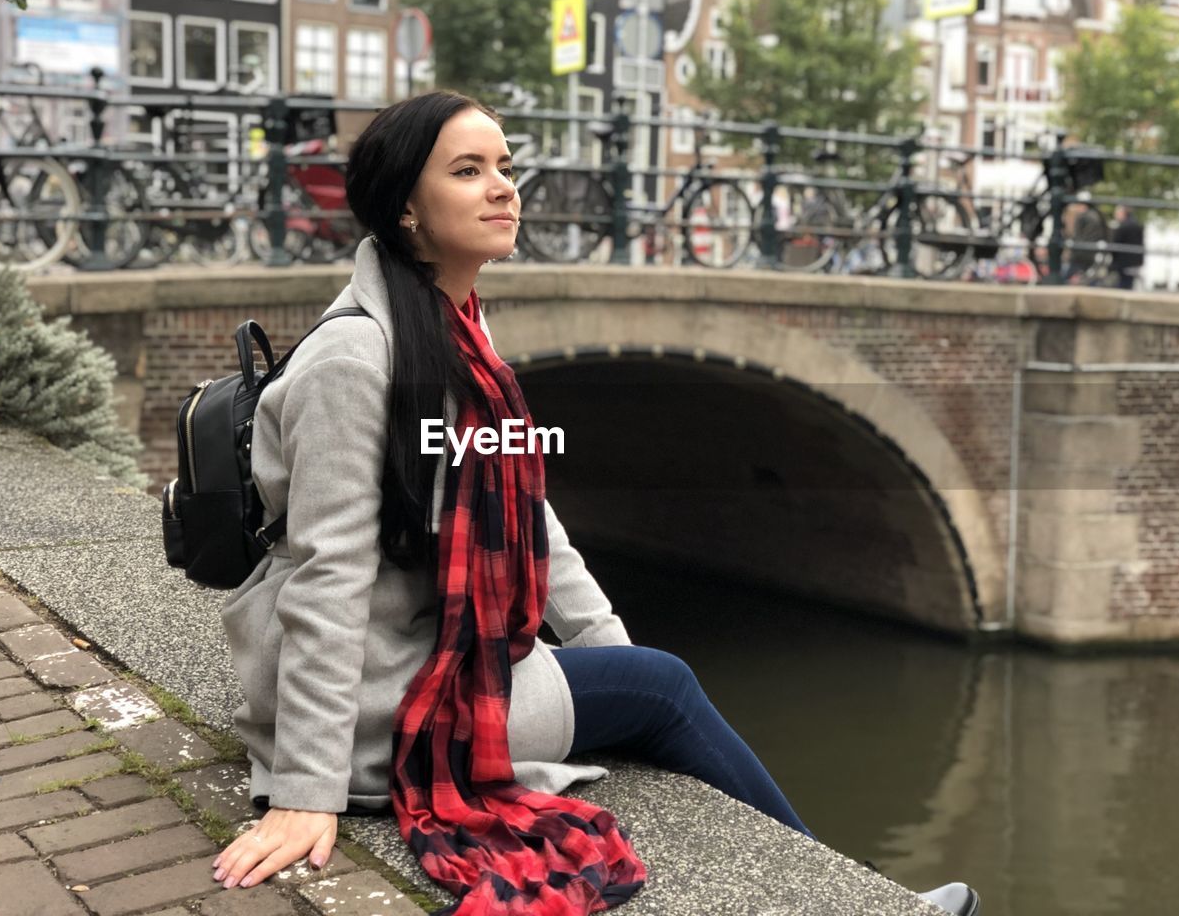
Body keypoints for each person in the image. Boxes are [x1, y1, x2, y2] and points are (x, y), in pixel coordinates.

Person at [208, 91, 980, 916]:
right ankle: (866, 908)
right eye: (467, 171)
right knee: (666, 687)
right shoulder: (355, 361)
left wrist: (606, 660)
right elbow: (331, 573)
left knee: (647, 685)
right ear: (405, 208)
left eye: (505, 166)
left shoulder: (455, 331)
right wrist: (307, 790)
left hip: (432, 667)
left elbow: (534, 518)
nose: (503, 187)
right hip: (388, 703)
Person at [1110, 204, 1146, 291]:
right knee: (1129, 284)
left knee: (1123, 285)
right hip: (1135, 262)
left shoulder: (1123, 226)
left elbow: (1115, 245)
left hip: (1124, 263)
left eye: (1117, 213)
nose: (1115, 215)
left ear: (1123, 213)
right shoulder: (1137, 224)